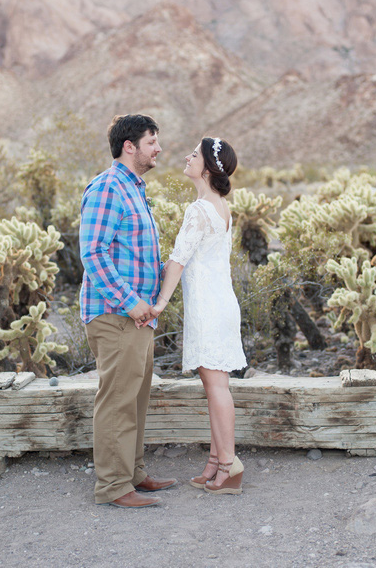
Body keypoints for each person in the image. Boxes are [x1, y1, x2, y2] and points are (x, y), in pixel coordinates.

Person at [79, 114, 177, 508]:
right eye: (152, 141)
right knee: (117, 399)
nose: (159, 148)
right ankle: (113, 486)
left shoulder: (134, 190)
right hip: (116, 314)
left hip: (138, 317)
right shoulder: (108, 187)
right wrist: (130, 300)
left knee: (134, 398)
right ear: (129, 146)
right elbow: (93, 253)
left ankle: (133, 473)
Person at [139, 137, 247, 494]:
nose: (187, 157)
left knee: (215, 387)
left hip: (208, 308)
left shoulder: (199, 209)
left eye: (194, 155)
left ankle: (229, 465)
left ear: (207, 168)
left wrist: (158, 304)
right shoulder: (220, 206)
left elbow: (180, 260)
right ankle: (216, 462)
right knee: (215, 385)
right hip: (221, 304)